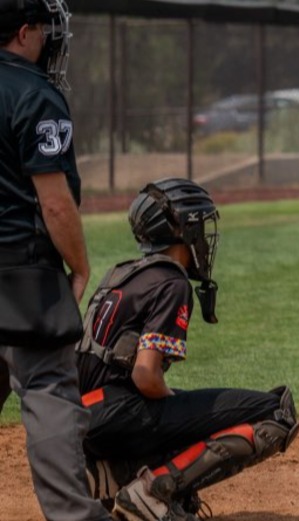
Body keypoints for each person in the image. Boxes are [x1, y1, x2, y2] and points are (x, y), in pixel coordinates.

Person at [75, 179, 299, 521]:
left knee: (180, 412)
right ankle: (152, 495)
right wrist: (179, 405)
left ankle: (107, 475)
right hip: (117, 416)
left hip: (83, 422)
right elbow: (145, 375)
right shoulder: (171, 280)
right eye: (198, 225)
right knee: (275, 413)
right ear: (182, 230)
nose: (204, 238)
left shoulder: (121, 273)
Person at [0, 1, 116, 520]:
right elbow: (54, 202)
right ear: (23, 33)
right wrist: (81, 267)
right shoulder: (35, 94)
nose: (51, 38)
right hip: (23, 272)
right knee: (47, 388)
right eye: (45, 29)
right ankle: (73, 515)